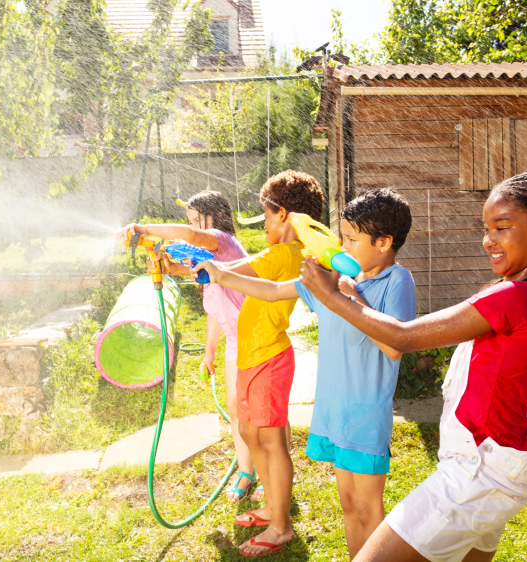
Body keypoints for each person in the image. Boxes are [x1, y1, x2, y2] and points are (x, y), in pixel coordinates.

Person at [299, 169, 527, 562]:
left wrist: (330, 295)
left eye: (501, 228)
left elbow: (403, 336)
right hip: (503, 471)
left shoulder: (514, 298)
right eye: (486, 229)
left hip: (476, 475)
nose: (489, 241)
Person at [194, 188, 416, 559]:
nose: (342, 246)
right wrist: (221, 275)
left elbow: (395, 345)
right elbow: (272, 290)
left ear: (384, 242)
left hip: (364, 418)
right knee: (347, 505)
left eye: (352, 240)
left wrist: (348, 298)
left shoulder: (396, 281)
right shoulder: (332, 278)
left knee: (368, 510)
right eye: (342, 236)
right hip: (334, 413)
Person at [201, 170, 323, 557]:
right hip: (254, 356)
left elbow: (236, 272)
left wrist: (210, 269)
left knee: (270, 441)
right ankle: (273, 507)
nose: (265, 223)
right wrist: (198, 268)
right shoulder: (282, 253)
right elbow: (230, 272)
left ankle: (281, 526)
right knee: (253, 436)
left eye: (267, 215)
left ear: (284, 215)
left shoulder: (284, 253)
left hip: (268, 357)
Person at [116, 190, 260, 503]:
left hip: (258, 337)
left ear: (217, 218)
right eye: (190, 221)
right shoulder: (209, 262)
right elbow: (215, 310)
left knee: (263, 413)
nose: (194, 228)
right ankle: (247, 472)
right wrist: (209, 353)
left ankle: (274, 468)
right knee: (236, 410)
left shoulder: (222, 240)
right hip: (237, 340)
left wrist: (144, 228)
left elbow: (192, 236)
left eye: (198, 220)